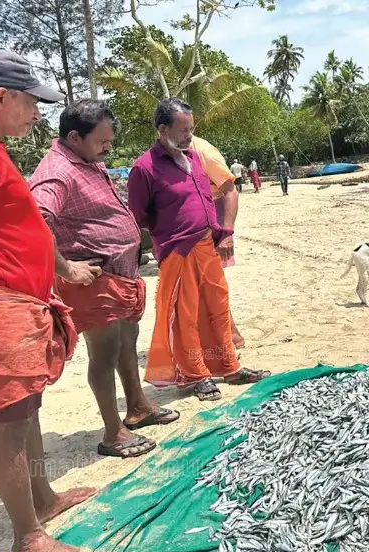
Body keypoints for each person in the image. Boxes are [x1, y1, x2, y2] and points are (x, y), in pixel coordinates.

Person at [0, 49, 95, 552]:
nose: (36, 113)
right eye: (31, 102)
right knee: (9, 419)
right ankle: (27, 538)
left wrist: (59, 270)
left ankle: (43, 499)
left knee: (27, 407)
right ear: (0, 97)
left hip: (20, 301)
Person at [30, 100, 181, 459]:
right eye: (102, 141)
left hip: (121, 274)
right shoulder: (57, 170)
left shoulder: (86, 159)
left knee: (127, 341)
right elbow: (36, 218)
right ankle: (113, 432)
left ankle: (138, 406)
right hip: (94, 280)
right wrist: (66, 269)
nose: (108, 148)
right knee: (104, 353)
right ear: (74, 137)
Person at [127, 99, 268, 402]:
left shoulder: (193, 157)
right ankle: (196, 375)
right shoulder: (145, 167)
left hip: (207, 244)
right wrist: (168, 232)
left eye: (191, 129)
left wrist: (223, 232)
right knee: (184, 315)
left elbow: (215, 193)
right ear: (163, 129)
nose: (189, 136)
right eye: (183, 130)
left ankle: (228, 366)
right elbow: (138, 216)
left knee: (218, 306)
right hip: (178, 249)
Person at [190, 135, 244, 348]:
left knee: (208, 283)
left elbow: (230, 191)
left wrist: (227, 233)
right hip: (191, 224)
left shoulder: (203, 151)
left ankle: (230, 337)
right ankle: (230, 336)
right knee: (202, 283)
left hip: (210, 223)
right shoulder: (171, 151)